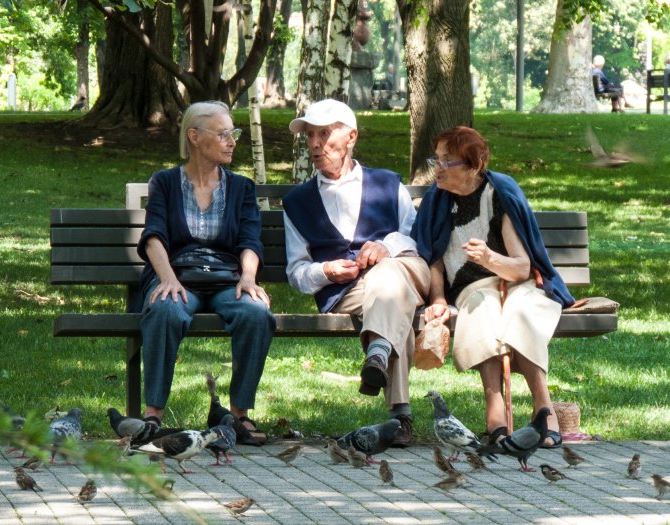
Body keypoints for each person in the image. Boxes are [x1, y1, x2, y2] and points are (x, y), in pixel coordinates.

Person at [411, 126, 575, 449]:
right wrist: (439, 297)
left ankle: (543, 404)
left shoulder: (497, 193)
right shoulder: (437, 200)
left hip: (515, 282)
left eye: (447, 161)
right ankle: (494, 407)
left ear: (473, 167)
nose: (438, 168)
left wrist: (488, 257)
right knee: (482, 309)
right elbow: (434, 260)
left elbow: (522, 266)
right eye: (437, 159)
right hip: (471, 288)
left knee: (523, 310)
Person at [283, 99, 430, 446]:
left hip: (408, 272)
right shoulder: (298, 202)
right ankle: (399, 413)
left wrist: (388, 247)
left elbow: (417, 237)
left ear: (351, 137)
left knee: (389, 276)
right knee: (394, 300)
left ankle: (383, 362)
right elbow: (296, 271)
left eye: (324, 134)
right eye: (310, 136)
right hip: (349, 293)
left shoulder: (387, 184)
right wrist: (325, 271)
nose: (315, 144)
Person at [136, 101, 275, 443]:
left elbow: (250, 240)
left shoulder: (241, 188)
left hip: (227, 277)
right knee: (165, 309)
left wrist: (248, 278)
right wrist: (166, 278)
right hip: (180, 275)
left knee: (256, 313)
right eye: (224, 134)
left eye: (234, 133)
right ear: (195, 137)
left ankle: (240, 415)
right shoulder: (166, 183)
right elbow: (153, 236)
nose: (232, 141)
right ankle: (153, 415)